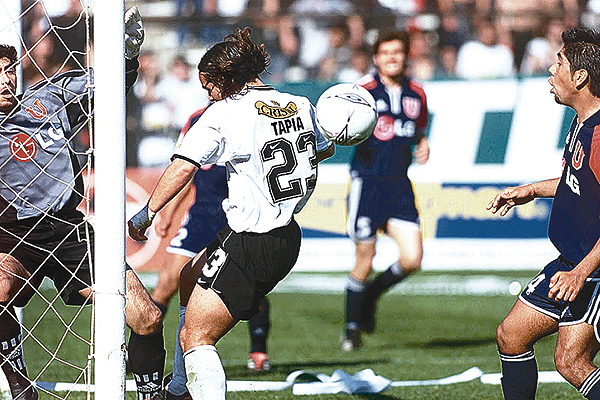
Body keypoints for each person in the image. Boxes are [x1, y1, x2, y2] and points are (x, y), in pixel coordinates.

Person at [128, 27, 334, 400]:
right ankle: (179, 389)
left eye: (209, 85)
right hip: (286, 236)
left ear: (225, 78)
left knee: (196, 337)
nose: (208, 93)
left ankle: (186, 389)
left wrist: (147, 213)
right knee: (189, 276)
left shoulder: (224, 112)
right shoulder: (300, 104)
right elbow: (325, 149)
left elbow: (183, 166)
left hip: (251, 239)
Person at [0, 8, 166, 400]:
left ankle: (151, 394)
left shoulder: (47, 98)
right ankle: (20, 386)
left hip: (69, 230)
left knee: (146, 317)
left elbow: (109, 86)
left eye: (10, 70)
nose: (7, 79)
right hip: (12, 234)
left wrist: (127, 54)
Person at [487, 27, 600, 400]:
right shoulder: (582, 121)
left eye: (559, 62)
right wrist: (532, 189)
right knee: (511, 335)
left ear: (579, 77)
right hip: (572, 261)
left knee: (570, 361)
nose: (551, 70)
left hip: (592, 268)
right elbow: (577, 180)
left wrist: (580, 273)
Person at [341, 30, 429, 351]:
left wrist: (423, 144)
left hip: (400, 186)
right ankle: (352, 329)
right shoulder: (362, 91)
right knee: (365, 257)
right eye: (386, 52)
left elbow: (419, 131)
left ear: (406, 56)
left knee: (412, 259)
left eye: (398, 52)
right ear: (376, 58)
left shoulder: (417, 92)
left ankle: (371, 293)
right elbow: (340, 125)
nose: (392, 57)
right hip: (368, 184)